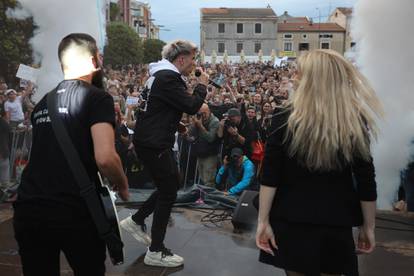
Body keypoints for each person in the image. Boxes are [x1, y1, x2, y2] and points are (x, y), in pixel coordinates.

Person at [256, 49, 383, 276]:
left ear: (312, 80)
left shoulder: (283, 117)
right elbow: (366, 180)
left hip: (291, 220)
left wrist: (262, 221)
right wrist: (369, 226)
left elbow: (270, 175)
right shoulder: (353, 120)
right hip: (335, 222)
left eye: (298, 73)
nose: (293, 77)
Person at [13, 33, 129, 276]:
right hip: (73, 210)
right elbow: (106, 158)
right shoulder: (97, 98)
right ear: (94, 59)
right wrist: (122, 183)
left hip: (29, 207)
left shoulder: (45, 101)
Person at [120, 40, 209, 267]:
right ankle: (156, 250)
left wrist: (173, 123)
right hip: (155, 143)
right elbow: (192, 106)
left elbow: (153, 108)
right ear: (181, 59)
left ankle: (137, 220)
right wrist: (202, 85)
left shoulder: (158, 75)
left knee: (171, 184)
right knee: (169, 190)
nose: (193, 65)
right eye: (191, 60)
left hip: (150, 140)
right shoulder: (168, 77)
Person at [190, 103, 220, 187]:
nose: (202, 115)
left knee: (209, 180)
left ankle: (209, 198)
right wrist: (194, 124)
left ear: (209, 111)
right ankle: (204, 197)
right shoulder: (199, 119)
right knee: (203, 178)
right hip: (200, 152)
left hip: (210, 154)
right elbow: (191, 133)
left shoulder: (214, 121)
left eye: (204, 113)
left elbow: (210, 138)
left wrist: (200, 126)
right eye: (200, 113)